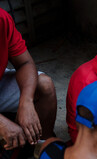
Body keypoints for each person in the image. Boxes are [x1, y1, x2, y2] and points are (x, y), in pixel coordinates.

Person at [0, 9, 56, 151]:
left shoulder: (2, 18)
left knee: (44, 85)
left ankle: (42, 147)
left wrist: (26, 102)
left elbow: (24, 63)